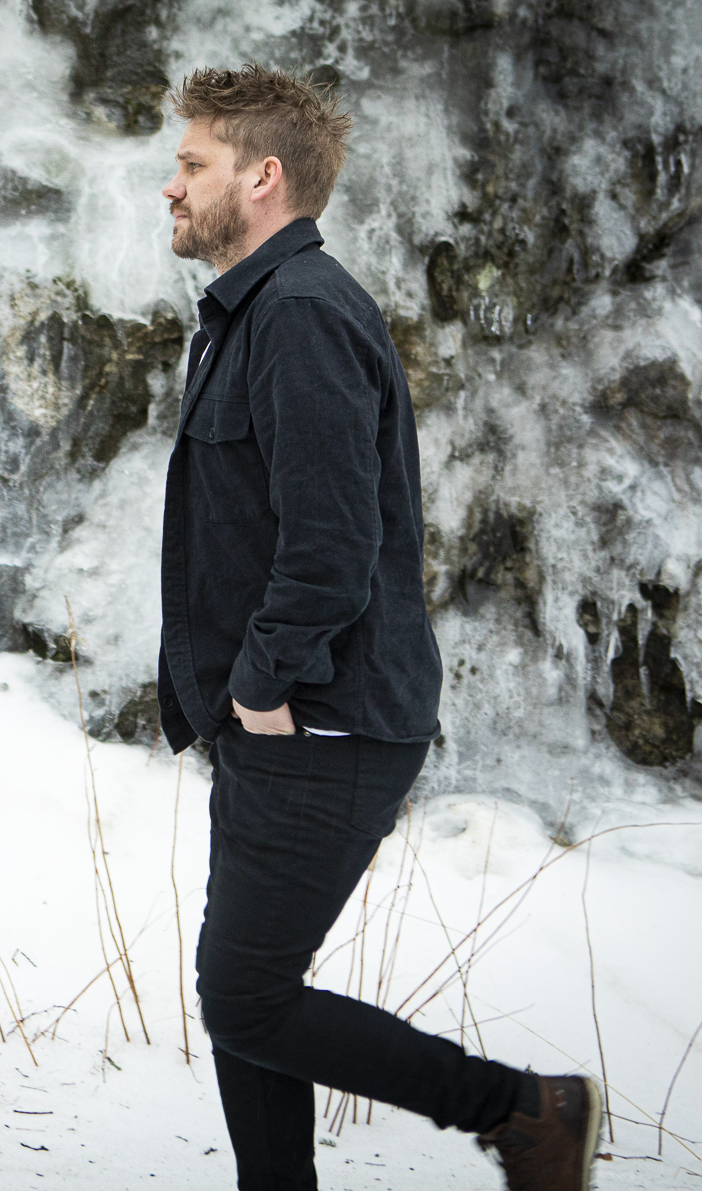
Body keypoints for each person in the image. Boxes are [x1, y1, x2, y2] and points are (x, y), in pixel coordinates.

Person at [155, 64, 603, 1191]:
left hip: (322, 719)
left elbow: (331, 544)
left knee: (247, 992)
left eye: (192, 163)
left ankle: (522, 1109)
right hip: (289, 720)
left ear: (263, 178)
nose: (170, 186)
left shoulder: (299, 317)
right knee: (245, 989)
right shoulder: (255, 312)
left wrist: (264, 687)